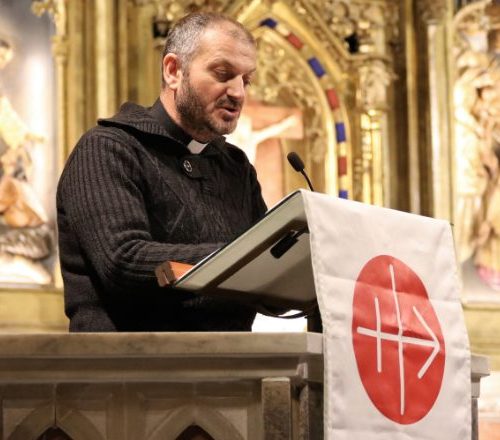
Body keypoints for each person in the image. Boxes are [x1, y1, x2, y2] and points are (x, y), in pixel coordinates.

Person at [56, 12, 267, 332]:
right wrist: (241, 258)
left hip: (231, 358)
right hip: (130, 358)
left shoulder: (235, 167)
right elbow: (123, 261)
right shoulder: (108, 148)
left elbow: (267, 261)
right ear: (173, 71)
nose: (238, 92)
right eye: (223, 74)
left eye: (246, 80)